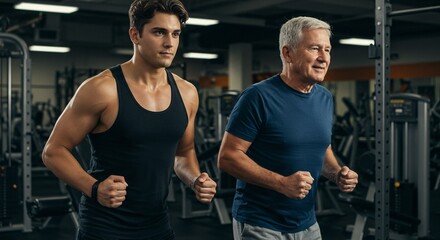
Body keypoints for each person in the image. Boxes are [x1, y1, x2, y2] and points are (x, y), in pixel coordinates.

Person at [42, 0, 217, 239]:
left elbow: (183, 153)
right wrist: (94, 188)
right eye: (159, 32)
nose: (169, 43)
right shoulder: (102, 89)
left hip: (158, 225)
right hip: (105, 226)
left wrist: (195, 179)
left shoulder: (187, 93)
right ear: (135, 34)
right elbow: (54, 151)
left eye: (175, 34)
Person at [217, 16, 359, 240]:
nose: (324, 58)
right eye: (314, 49)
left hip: (308, 223)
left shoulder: (325, 98)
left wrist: (337, 174)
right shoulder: (258, 96)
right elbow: (227, 157)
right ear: (287, 53)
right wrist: (281, 183)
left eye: (327, 50)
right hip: (261, 223)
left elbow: (322, 149)